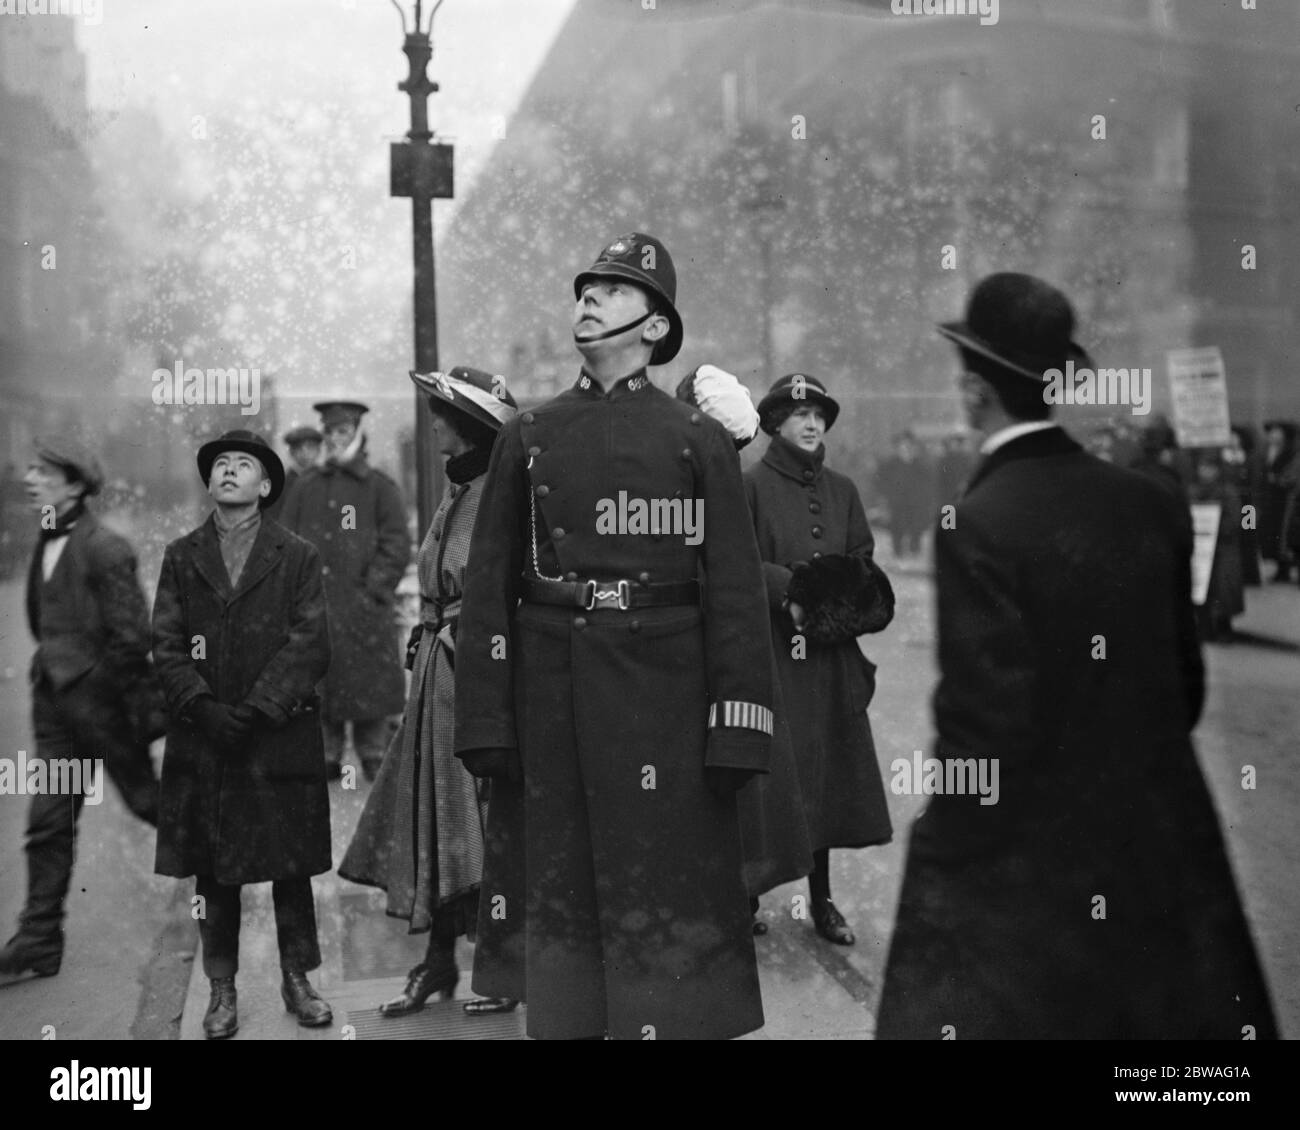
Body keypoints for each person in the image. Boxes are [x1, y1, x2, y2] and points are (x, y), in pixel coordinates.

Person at [876, 273, 1277, 1039]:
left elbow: (985, 729)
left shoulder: (979, 521)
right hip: (1159, 831)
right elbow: (1183, 690)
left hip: (1034, 856)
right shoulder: (1148, 501)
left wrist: (945, 846)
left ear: (973, 393)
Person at [454, 232, 774, 1041]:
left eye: (615, 290)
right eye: (586, 288)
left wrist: (737, 726)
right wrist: (487, 725)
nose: (589, 299)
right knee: (566, 923)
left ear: (656, 328)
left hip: (668, 700)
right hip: (554, 697)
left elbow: (735, 593)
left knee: (665, 909)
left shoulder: (697, 440)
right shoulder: (527, 436)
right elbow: (489, 592)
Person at [340, 366, 519, 1018]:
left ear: (468, 423)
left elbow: (508, 593)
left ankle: (503, 969)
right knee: (436, 820)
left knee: (488, 823)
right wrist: (423, 629)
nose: (433, 421)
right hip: (437, 683)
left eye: (442, 412)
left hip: (482, 683)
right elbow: (436, 579)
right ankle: (439, 962)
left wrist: (458, 638)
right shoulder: (456, 488)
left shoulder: (507, 493)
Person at [152, 429, 334, 1039]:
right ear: (210, 483)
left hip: (276, 736)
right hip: (207, 740)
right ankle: (222, 989)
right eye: (220, 465)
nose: (229, 472)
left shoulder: (298, 555)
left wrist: (257, 710)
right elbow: (166, 644)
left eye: (244, 465)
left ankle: (298, 979)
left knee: (290, 868)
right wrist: (201, 707)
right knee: (214, 870)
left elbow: (310, 643)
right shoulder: (181, 556)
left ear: (264, 486)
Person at [0, 437, 161, 985]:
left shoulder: (106, 548)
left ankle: (227, 883)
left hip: (103, 708)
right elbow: (40, 622)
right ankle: (39, 939)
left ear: (74, 484)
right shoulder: (43, 537)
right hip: (55, 705)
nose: (29, 479)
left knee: (150, 803)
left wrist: (103, 695)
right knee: (48, 821)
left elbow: (132, 637)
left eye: (43, 472)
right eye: (30, 469)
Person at [745, 374, 894, 947]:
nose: (811, 424)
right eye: (799, 414)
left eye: (819, 415)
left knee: (825, 779)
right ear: (775, 422)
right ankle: (747, 893)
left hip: (829, 658)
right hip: (774, 655)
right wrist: (794, 592)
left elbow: (863, 562)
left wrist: (835, 604)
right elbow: (737, 562)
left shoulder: (844, 489)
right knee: (767, 775)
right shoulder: (751, 486)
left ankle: (822, 898)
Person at [675, 365, 814, 929]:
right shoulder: (698, 478)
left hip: (720, 639)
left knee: (731, 771)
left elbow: (729, 564)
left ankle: (735, 890)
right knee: (720, 772)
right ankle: (726, 889)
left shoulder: (705, 477)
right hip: (710, 638)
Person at [280, 402, 410, 781]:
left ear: (357, 432)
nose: (335, 440)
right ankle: (328, 753)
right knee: (321, 686)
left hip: (363, 608)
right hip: (316, 607)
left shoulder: (379, 487)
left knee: (367, 685)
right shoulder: (305, 488)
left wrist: (373, 590)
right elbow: (286, 544)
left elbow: (396, 544)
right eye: (330, 433)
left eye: (343, 432)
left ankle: (372, 751)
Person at [874, 430, 934, 560]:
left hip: (915, 502)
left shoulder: (920, 464)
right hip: (897, 501)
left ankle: (914, 549)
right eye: (902, 445)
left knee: (916, 527)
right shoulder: (890, 464)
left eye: (908, 445)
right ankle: (898, 552)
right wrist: (886, 496)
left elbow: (928, 481)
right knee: (897, 527)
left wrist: (924, 497)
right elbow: (881, 481)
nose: (905, 449)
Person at [1260, 420, 1299, 583]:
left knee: (1288, 534)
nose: (1273, 435)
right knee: (1275, 534)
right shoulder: (1267, 451)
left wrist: (1278, 480)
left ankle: (1287, 567)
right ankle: (1281, 569)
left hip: (1288, 499)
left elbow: (1292, 475)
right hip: (1273, 499)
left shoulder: (1293, 452)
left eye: (1277, 432)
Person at [264, 424, 322, 523]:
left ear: (318, 451)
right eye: (299, 449)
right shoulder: (282, 485)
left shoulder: (325, 480)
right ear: (291, 452)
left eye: (310, 448)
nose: (305, 453)